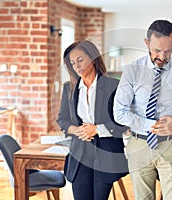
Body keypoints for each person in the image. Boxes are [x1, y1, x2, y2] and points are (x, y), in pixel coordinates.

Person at [113, 19, 172, 199]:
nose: (162, 56)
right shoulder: (132, 71)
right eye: (156, 50)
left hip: (171, 145)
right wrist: (152, 125)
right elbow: (119, 112)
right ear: (147, 43)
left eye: (168, 50)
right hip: (139, 145)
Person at [57, 40, 128, 200]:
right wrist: (76, 130)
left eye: (80, 60)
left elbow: (123, 121)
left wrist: (97, 129)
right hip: (80, 153)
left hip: (106, 153)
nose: (77, 66)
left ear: (94, 58)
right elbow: (62, 120)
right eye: (73, 63)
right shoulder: (70, 88)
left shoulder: (113, 86)